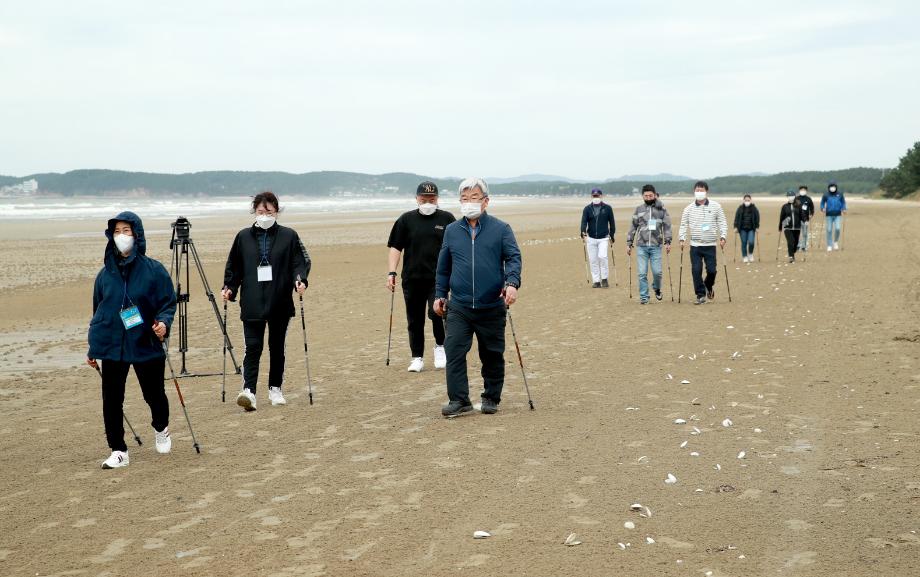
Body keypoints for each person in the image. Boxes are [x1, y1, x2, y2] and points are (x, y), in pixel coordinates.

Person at [87, 211, 177, 469]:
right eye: (116, 231)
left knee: (154, 395)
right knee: (112, 400)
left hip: (145, 342)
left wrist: (163, 324)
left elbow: (168, 303)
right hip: (112, 345)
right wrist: (94, 347)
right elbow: (98, 313)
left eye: (126, 231)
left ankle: (161, 428)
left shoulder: (154, 270)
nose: (121, 236)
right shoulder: (104, 275)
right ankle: (118, 450)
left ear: (137, 235)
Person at [433, 177, 522, 417]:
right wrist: (439, 295)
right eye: (464, 198)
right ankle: (459, 400)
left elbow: (513, 258)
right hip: (459, 306)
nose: (468, 202)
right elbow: (443, 268)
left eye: (474, 197)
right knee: (454, 351)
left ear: (485, 201)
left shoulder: (501, 229)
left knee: (492, 354)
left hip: (491, 304)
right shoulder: (452, 231)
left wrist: (512, 283)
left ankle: (491, 397)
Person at [222, 191, 310, 411]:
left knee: (276, 347)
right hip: (252, 301)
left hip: (279, 301)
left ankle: (275, 389)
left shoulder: (289, 235)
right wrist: (229, 288)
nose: (264, 215)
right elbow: (234, 267)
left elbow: (300, 262)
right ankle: (249, 392)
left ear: (276, 212)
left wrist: (300, 280)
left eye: (269, 212)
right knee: (253, 347)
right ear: (254, 211)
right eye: (261, 211)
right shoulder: (243, 237)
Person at [386, 181, 456, 372]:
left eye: (431, 199)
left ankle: (440, 348)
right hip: (412, 278)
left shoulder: (447, 219)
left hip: (438, 279)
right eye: (424, 199)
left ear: (437, 199)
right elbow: (395, 247)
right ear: (417, 198)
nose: (427, 203)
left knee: (437, 312)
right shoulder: (405, 220)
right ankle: (417, 357)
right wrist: (391, 272)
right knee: (414, 319)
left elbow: (456, 247)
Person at [678, 181, 728, 305]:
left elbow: (722, 222)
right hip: (695, 245)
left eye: (702, 190)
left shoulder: (716, 206)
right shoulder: (688, 209)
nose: (699, 192)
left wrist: (723, 237)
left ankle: (708, 285)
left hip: (710, 245)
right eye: (697, 190)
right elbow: (683, 225)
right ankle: (700, 295)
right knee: (696, 270)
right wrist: (682, 238)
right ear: (694, 191)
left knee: (712, 271)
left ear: (706, 191)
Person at [626, 184, 672, 304]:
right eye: (646, 196)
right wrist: (629, 242)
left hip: (656, 246)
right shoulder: (639, 209)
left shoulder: (662, 210)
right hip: (642, 246)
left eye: (650, 195)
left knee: (657, 272)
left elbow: (667, 226)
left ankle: (656, 288)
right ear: (642, 196)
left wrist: (668, 241)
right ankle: (644, 297)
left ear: (655, 195)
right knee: (642, 273)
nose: (648, 198)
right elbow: (633, 227)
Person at [580, 188, 616, 288]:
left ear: (601, 196)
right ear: (591, 196)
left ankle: (604, 279)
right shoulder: (587, 209)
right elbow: (583, 222)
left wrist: (612, 235)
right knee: (593, 260)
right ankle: (596, 281)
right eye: (594, 196)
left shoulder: (608, 208)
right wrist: (583, 232)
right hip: (591, 238)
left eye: (597, 195)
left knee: (602, 257)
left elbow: (612, 223)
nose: (596, 197)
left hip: (603, 238)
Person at [820, 181, 847, 251]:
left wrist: (844, 208)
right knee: (829, 230)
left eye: (834, 186)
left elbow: (843, 202)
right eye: (831, 186)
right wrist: (822, 208)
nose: (832, 188)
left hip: (838, 214)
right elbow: (822, 203)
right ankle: (829, 245)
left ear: (836, 187)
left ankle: (835, 242)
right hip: (829, 214)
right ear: (829, 187)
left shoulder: (840, 194)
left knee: (838, 228)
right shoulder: (826, 195)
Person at [733, 194, 760, 263]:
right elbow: (736, 218)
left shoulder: (754, 208)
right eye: (746, 200)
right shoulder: (740, 208)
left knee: (751, 242)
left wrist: (757, 227)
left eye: (748, 200)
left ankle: (750, 254)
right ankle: (744, 256)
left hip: (751, 228)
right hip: (742, 229)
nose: (747, 201)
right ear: (743, 200)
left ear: (750, 200)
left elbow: (757, 218)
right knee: (744, 242)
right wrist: (735, 227)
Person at [779, 189, 803, 263]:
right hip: (787, 227)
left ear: (794, 196)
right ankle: (791, 257)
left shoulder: (798, 205)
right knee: (790, 241)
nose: (790, 197)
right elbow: (781, 217)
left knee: (795, 243)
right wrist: (780, 226)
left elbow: (801, 215)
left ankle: (793, 252)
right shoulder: (784, 206)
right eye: (789, 196)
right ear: (787, 197)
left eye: (792, 196)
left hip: (797, 227)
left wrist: (805, 220)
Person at [796, 185, 815, 251]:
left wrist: (811, 214)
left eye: (804, 190)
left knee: (805, 233)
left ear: (806, 191)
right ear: (799, 191)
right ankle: (797, 245)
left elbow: (812, 208)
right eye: (801, 190)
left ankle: (804, 246)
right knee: (797, 233)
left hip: (806, 219)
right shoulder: (796, 199)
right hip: (797, 218)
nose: (802, 191)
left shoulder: (808, 199)